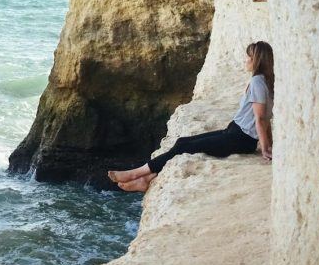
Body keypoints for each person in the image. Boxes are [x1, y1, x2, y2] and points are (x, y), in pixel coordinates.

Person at [107, 41, 275, 192]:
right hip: (235, 132)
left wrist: (265, 147)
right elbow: (264, 118)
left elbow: (261, 118)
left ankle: (135, 173)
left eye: (249, 57)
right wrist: (268, 143)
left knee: (184, 147)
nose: (245, 60)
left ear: (257, 60)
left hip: (241, 138)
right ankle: (146, 179)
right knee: (182, 142)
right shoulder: (262, 81)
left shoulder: (257, 83)